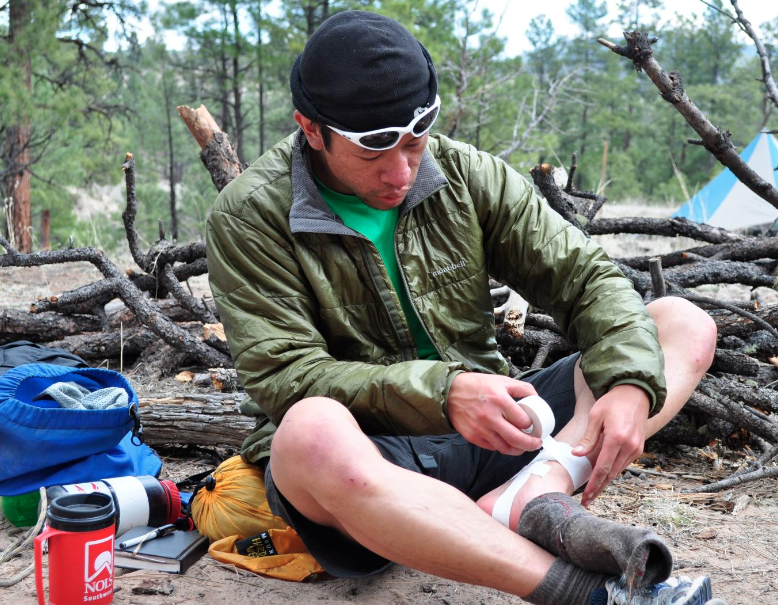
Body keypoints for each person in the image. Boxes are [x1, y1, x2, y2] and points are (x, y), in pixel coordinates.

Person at [206, 10, 719, 605]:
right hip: (374, 469)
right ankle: (578, 592)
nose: (402, 170)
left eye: (417, 134)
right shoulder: (250, 216)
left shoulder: (465, 174)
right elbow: (287, 376)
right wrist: (445, 391)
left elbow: (586, 277)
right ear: (312, 129)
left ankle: (536, 494)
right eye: (373, 150)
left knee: (680, 324)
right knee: (306, 432)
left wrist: (630, 384)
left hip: (505, 435)